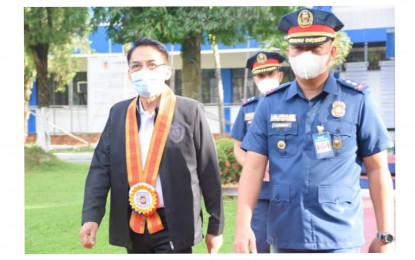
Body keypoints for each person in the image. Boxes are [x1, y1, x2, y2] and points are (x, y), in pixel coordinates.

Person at [233, 8, 395, 253]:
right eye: (298, 49)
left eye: (314, 48)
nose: (305, 55)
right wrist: (243, 226)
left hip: (339, 237)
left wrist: (385, 234)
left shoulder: (357, 100)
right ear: (289, 51)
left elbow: (377, 167)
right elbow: (253, 168)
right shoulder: (270, 104)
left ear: (331, 52)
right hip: (285, 235)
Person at [79, 36, 224, 254]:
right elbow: (101, 168)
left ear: (166, 71)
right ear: (129, 73)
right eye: (136, 66)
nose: (144, 71)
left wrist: (216, 226)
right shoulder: (119, 114)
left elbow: (208, 170)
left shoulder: (189, 111)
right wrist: (91, 216)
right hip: (133, 223)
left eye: (152, 64)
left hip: (175, 223)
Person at [230, 51, 285, 253]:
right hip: (259, 193)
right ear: (254, 79)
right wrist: (255, 167)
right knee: (257, 247)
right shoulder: (248, 108)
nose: (266, 79)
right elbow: (238, 146)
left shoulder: (294, 104)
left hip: (290, 193)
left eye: (270, 74)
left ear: (280, 75)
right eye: (261, 75)